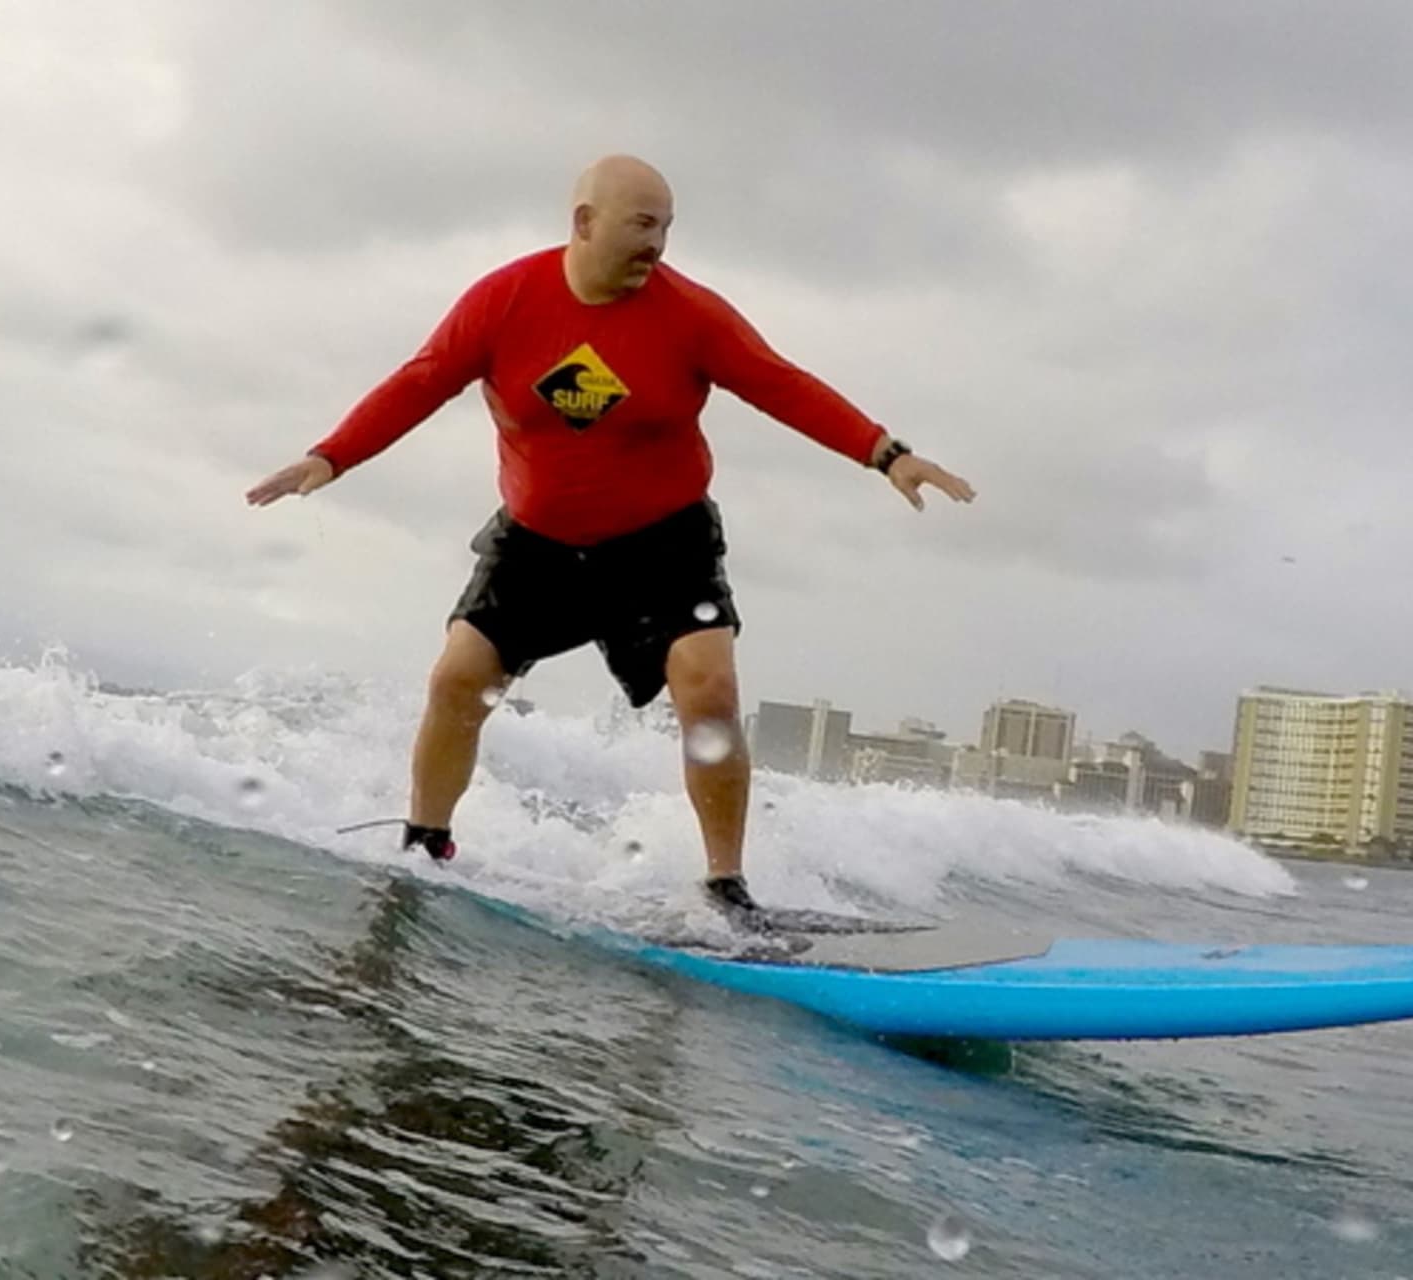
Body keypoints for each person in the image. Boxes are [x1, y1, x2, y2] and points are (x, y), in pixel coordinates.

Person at [244, 154, 975, 925]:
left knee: (710, 690)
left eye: (665, 227)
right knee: (458, 677)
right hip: (536, 543)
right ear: (585, 223)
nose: (657, 244)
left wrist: (885, 452)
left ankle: (726, 887)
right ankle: (424, 845)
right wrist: (331, 454)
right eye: (642, 224)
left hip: (665, 545)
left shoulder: (691, 315)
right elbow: (421, 380)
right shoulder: (506, 300)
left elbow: (779, 382)